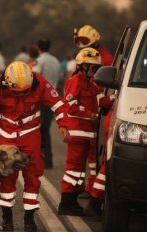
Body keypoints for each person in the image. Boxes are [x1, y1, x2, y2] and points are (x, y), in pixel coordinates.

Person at [0, 61, 68, 232]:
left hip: (30, 133)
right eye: (17, 91)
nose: (21, 94)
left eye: (25, 91)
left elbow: (59, 104)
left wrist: (63, 124)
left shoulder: (39, 83)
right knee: (7, 176)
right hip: (7, 135)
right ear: (8, 83)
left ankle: (29, 218)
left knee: (33, 174)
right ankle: (7, 218)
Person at [57, 48, 114, 216]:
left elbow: (101, 102)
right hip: (77, 132)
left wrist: (115, 98)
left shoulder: (92, 84)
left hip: (87, 134)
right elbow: (70, 106)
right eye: (92, 68)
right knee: (73, 169)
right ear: (82, 66)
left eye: (97, 68)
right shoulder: (75, 81)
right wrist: (90, 114)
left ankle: (72, 200)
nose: (94, 71)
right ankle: (66, 202)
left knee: (79, 171)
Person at [73, 24, 115, 207]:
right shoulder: (90, 57)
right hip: (92, 108)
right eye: (79, 41)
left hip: (99, 107)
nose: (81, 45)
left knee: (93, 153)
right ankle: (87, 187)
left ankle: (91, 188)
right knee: (89, 154)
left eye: (84, 41)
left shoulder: (104, 59)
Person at [32, 38, 61, 169]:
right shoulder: (56, 61)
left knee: (39, 129)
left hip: (42, 99)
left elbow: (35, 78)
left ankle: (42, 159)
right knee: (45, 129)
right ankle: (47, 160)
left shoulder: (39, 61)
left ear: (38, 47)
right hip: (52, 98)